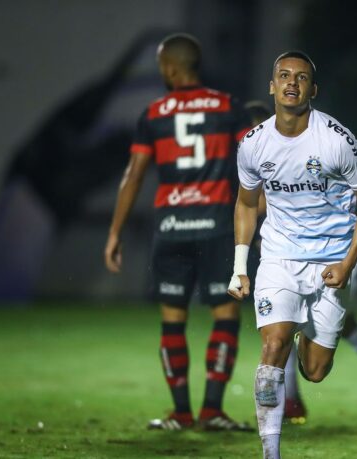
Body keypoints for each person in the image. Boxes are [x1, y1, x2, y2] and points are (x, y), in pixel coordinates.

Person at [228, 51, 357, 458]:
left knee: (314, 372)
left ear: (313, 89)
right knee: (273, 345)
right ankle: (270, 452)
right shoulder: (253, 144)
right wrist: (240, 266)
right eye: (283, 75)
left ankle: (300, 330)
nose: (291, 82)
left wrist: (347, 264)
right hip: (279, 257)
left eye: (301, 77)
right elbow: (246, 205)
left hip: (331, 261)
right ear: (272, 86)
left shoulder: (337, 141)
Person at [104, 33, 252, 431]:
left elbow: (133, 175)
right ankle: (213, 411)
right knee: (225, 314)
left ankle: (180, 412)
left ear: (169, 68)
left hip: (171, 229)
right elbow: (252, 166)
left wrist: (115, 231)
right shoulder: (227, 107)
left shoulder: (153, 114)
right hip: (217, 227)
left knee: (172, 320)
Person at [243, 100, 357, 423]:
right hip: (290, 259)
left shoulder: (324, 145)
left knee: (347, 327)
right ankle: (293, 401)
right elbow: (255, 204)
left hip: (336, 255)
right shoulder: (258, 153)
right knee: (281, 331)